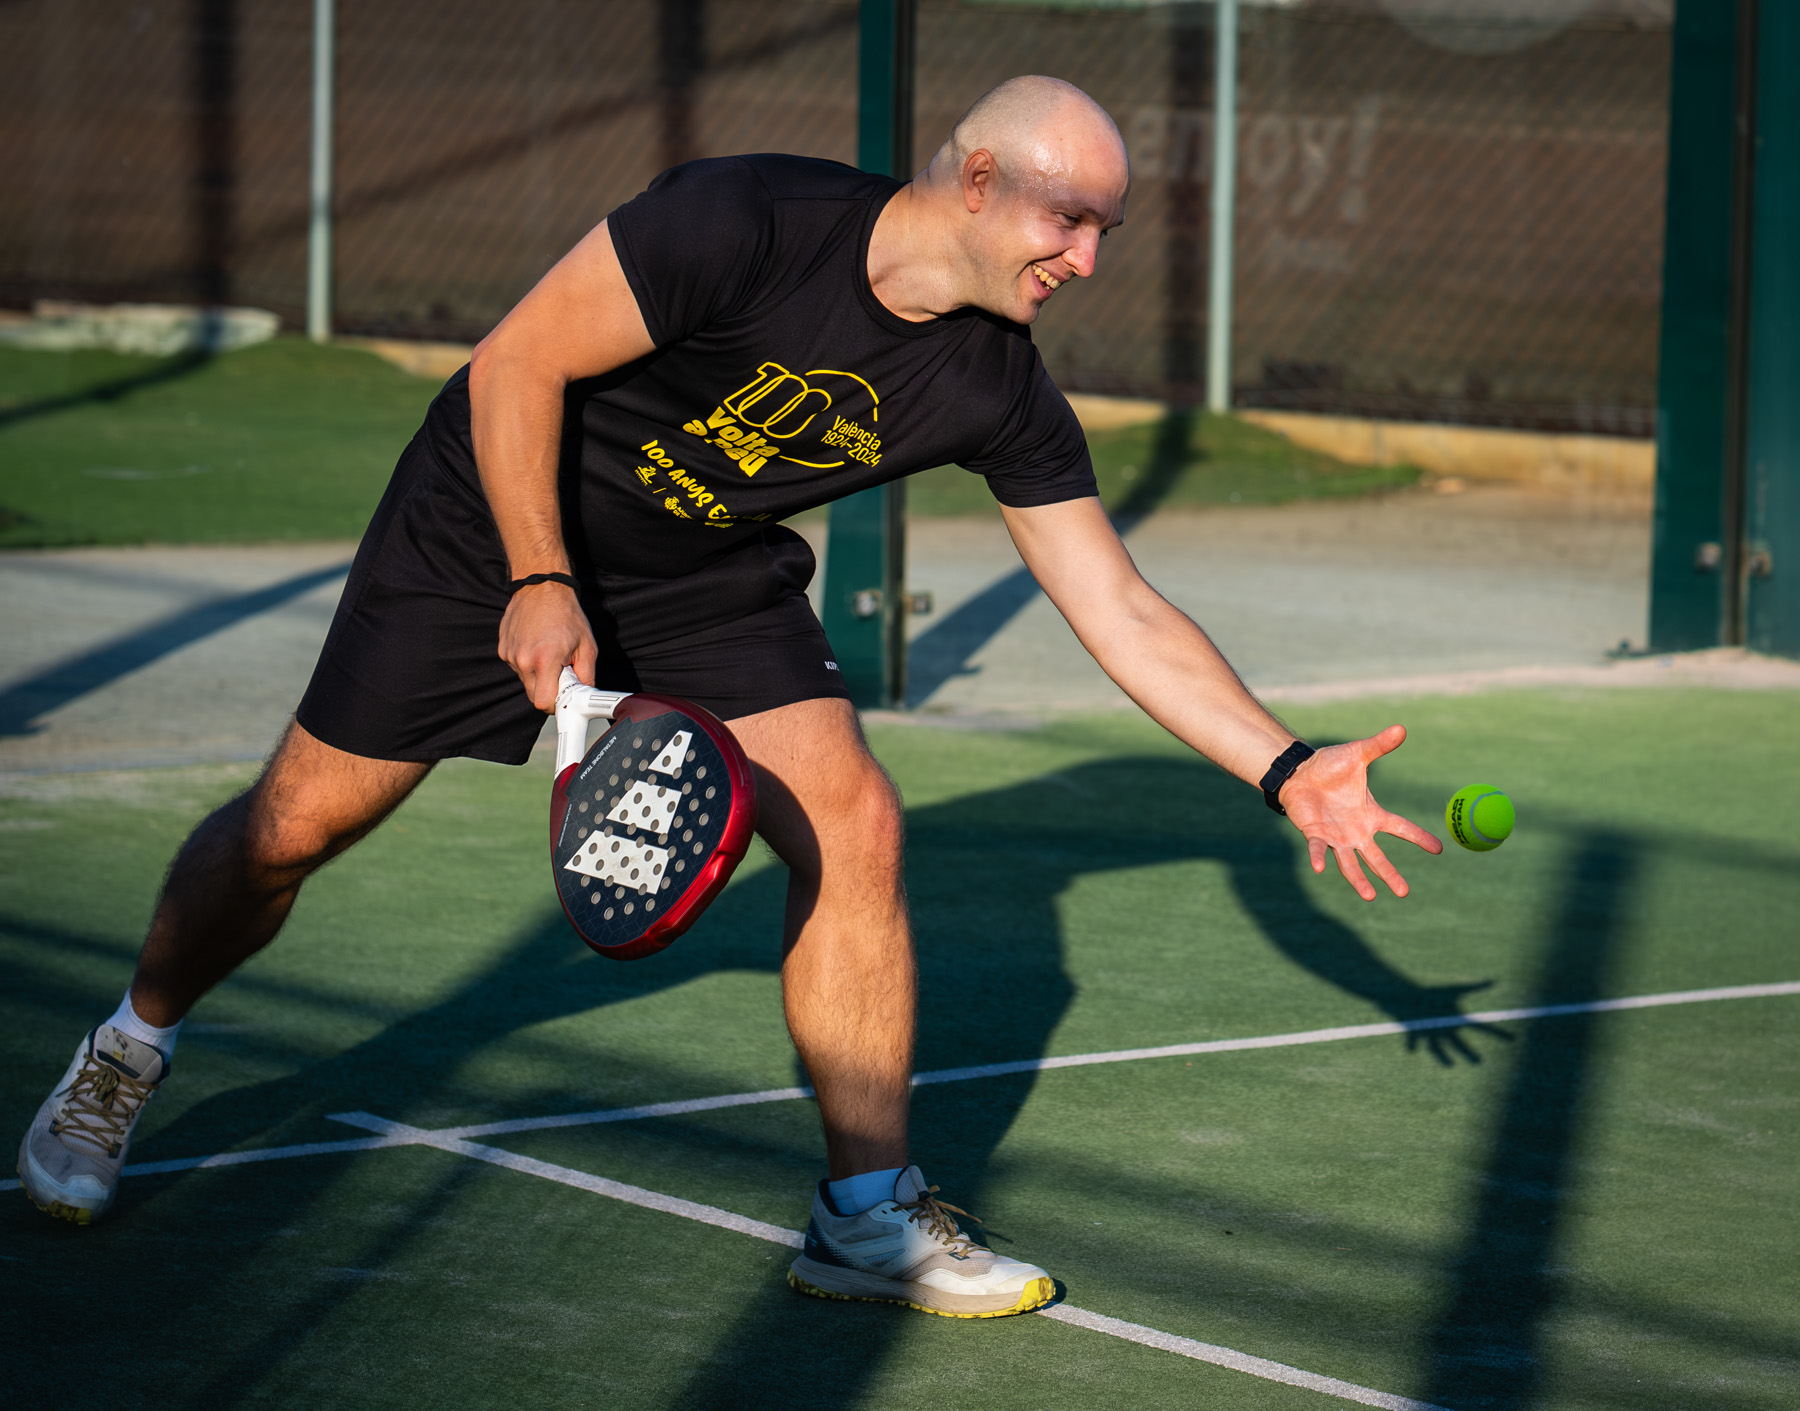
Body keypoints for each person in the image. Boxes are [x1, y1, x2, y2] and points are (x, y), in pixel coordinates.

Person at [17, 76, 1440, 1318]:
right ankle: (127, 1047)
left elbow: (1115, 603)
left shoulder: (996, 387)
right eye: (1068, 220)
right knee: (294, 830)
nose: (1085, 259)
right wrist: (537, 575)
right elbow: (518, 360)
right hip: (488, 524)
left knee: (853, 822)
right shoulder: (744, 220)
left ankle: (865, 1218)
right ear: (977, 179)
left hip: (701, 577)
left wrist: (1283, 765)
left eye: (1104, 233)